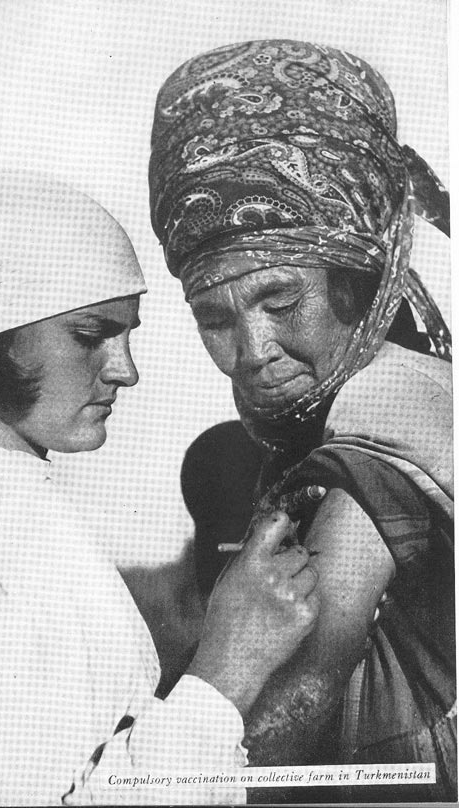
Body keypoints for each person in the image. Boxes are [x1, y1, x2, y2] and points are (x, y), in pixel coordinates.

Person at [0, 171, 320, 807]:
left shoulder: (4, 505)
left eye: (127, 334)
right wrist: (225, 671)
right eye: (89, 336)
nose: (125, 370)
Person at [149, 40, 455, 802]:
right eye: (213, 318)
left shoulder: (383, 426)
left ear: (355, 281)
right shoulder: (372, 407)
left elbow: (298, 696)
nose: (252, 351)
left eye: (281, 302)